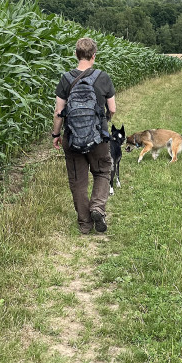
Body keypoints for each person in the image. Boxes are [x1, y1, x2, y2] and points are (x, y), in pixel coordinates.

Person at [51, 37, 117, 234]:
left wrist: (56, 134)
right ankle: (97, 207)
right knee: (102, 171)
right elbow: (112, 109)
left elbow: (58, 112)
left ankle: (85, 224)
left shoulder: (66, 78)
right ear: (94, 56)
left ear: (76, 54)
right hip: (98, 137)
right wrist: (104, 120)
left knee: (78, 181)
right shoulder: (103, 77)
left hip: (72, 138)